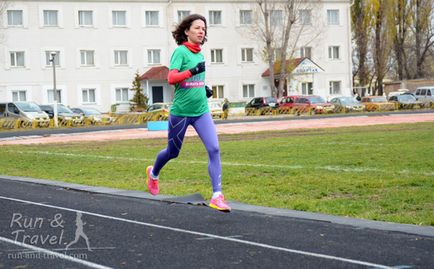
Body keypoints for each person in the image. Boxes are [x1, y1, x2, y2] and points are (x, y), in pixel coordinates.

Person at [146, 14, 230, 212]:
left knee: (214, 149)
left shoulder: (200, 54)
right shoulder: (181, 52)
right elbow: (172, 78)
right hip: (181, 113)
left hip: (201, 112)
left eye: (204, 29)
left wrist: (204, 89)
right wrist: (192, 72)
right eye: (197, 28)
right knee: (173, 152)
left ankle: (217, 195)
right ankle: (154, 173)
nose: (202, 31)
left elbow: (193, 81)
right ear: (187, 31)